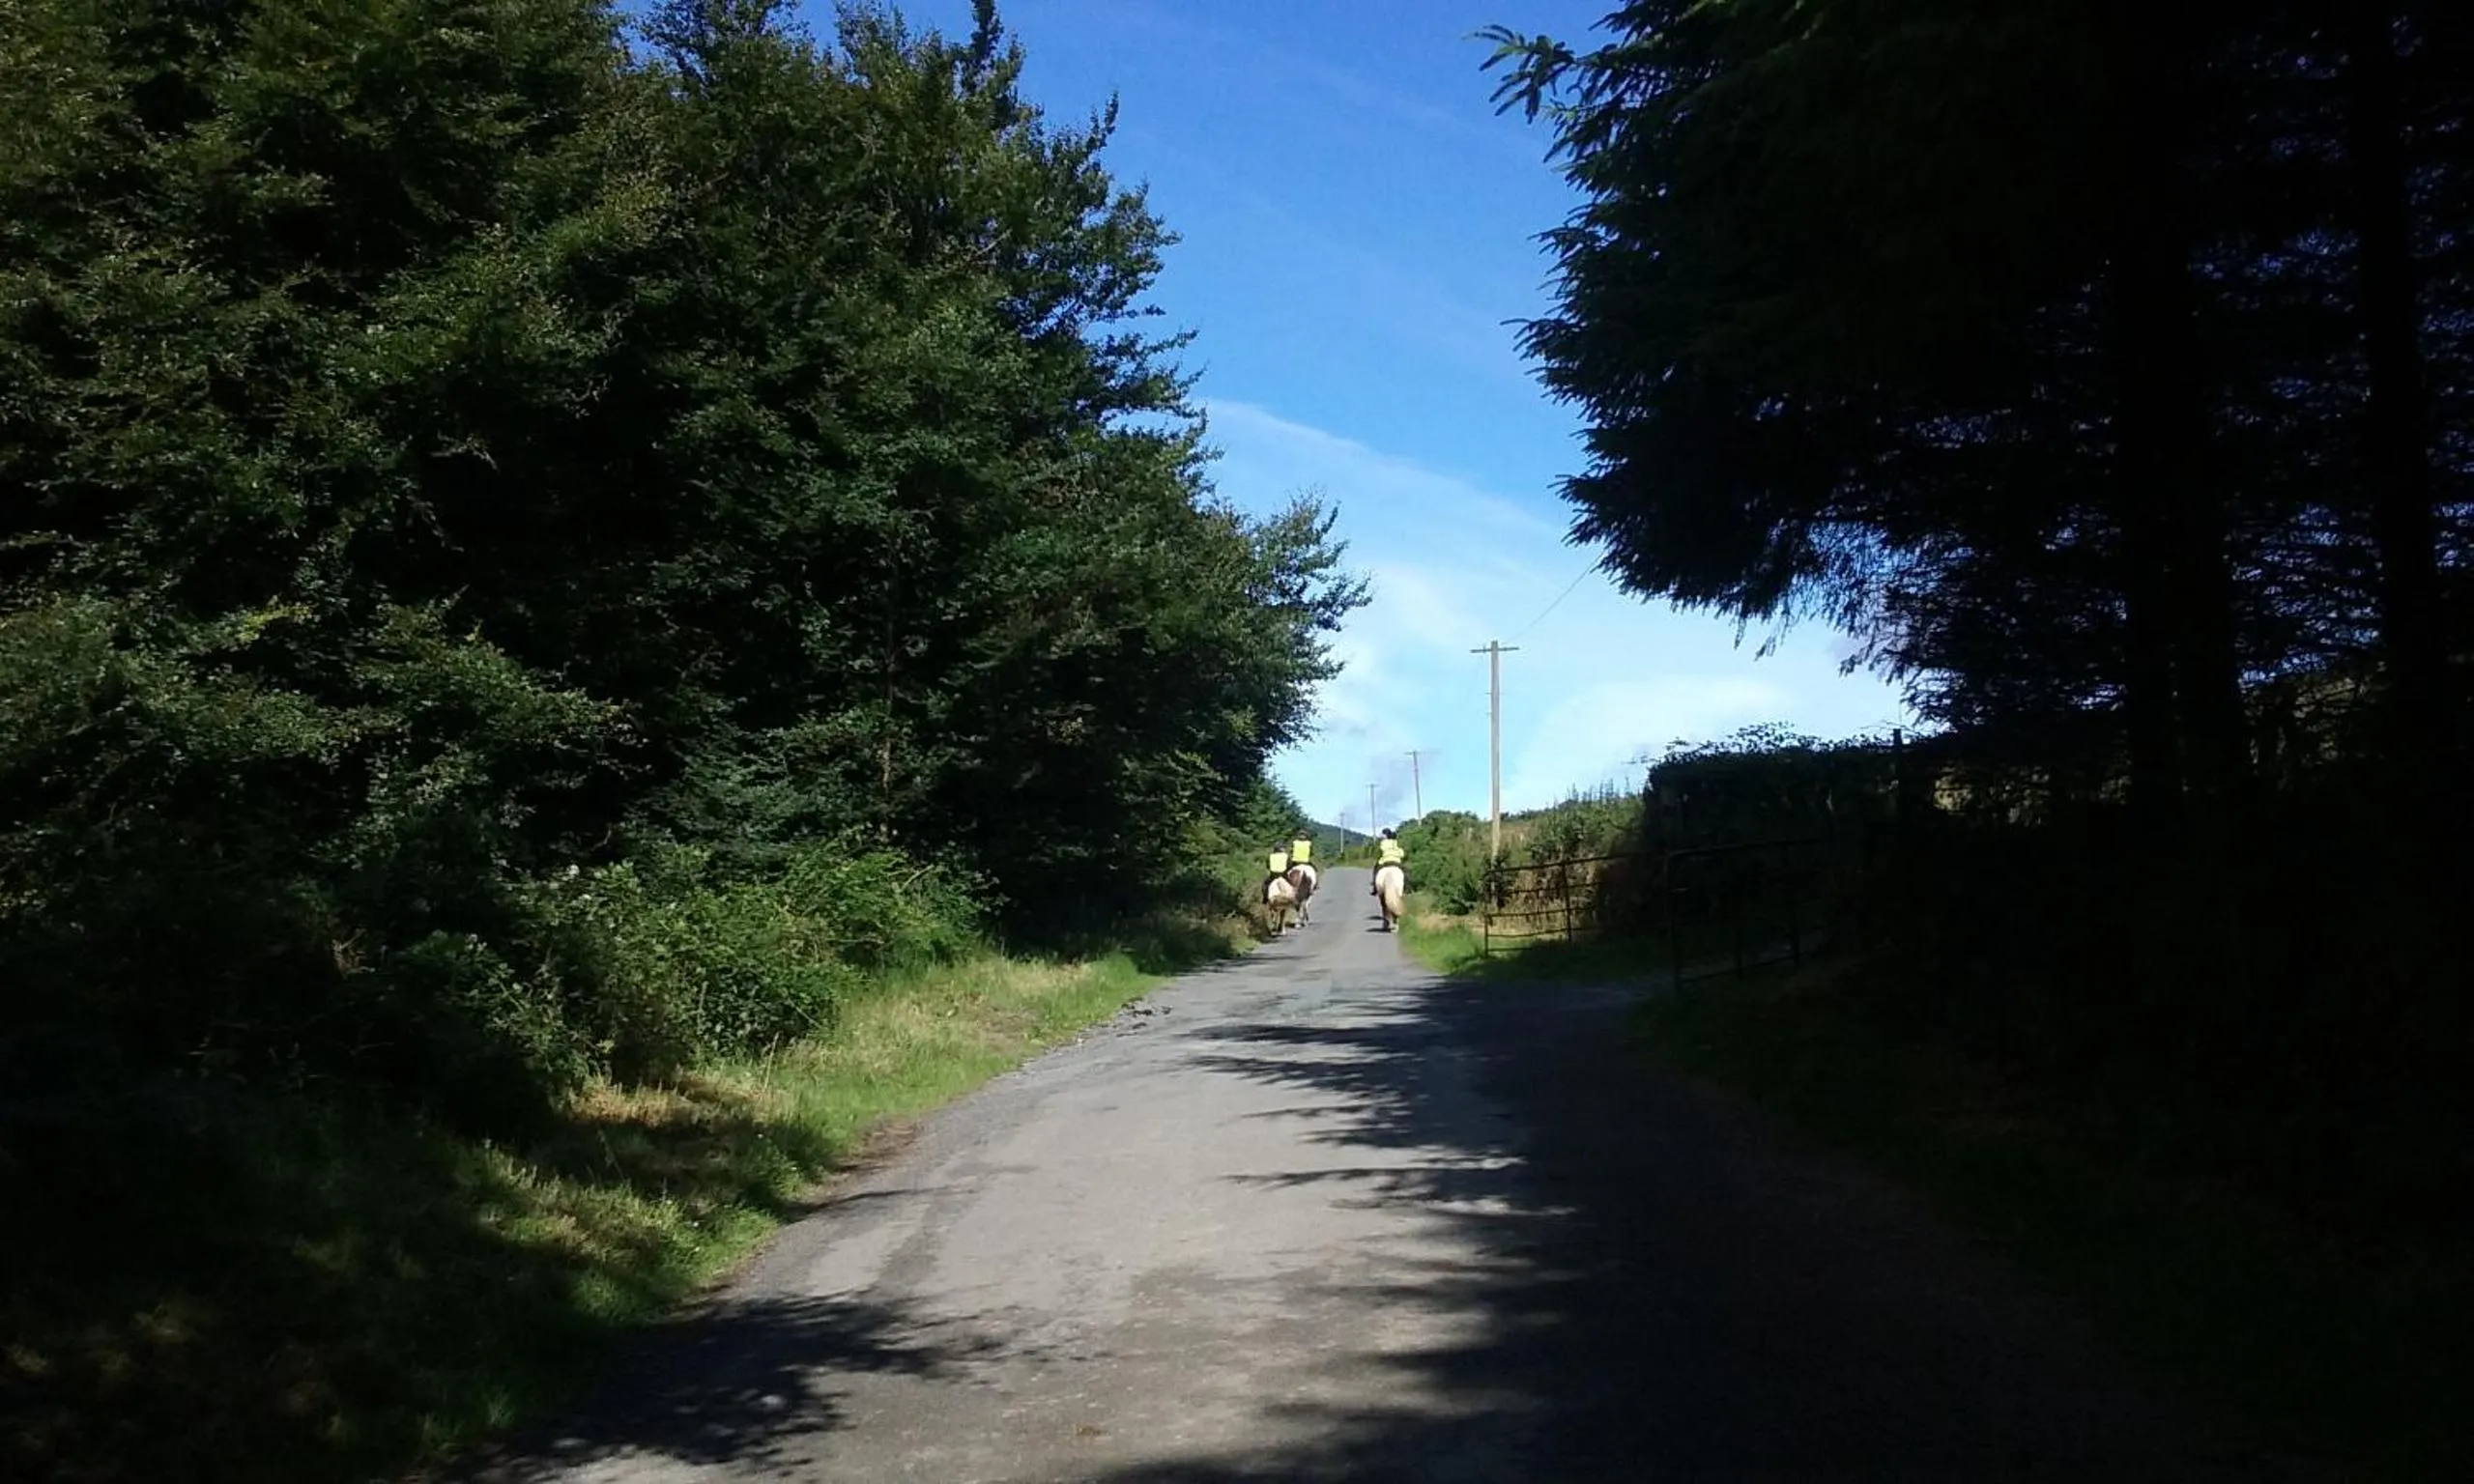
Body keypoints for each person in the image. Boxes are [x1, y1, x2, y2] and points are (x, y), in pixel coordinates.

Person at [1372, 827, 1405, 893]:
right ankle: (1407, 888)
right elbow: (1402, 854)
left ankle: (1375, 887)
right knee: (1405, 873)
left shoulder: (1383, 843)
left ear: (1385, 835)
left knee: (1376, 870)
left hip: (1385, 861)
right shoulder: (1396, 842)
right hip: (1396, 862)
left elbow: (1380, 852)